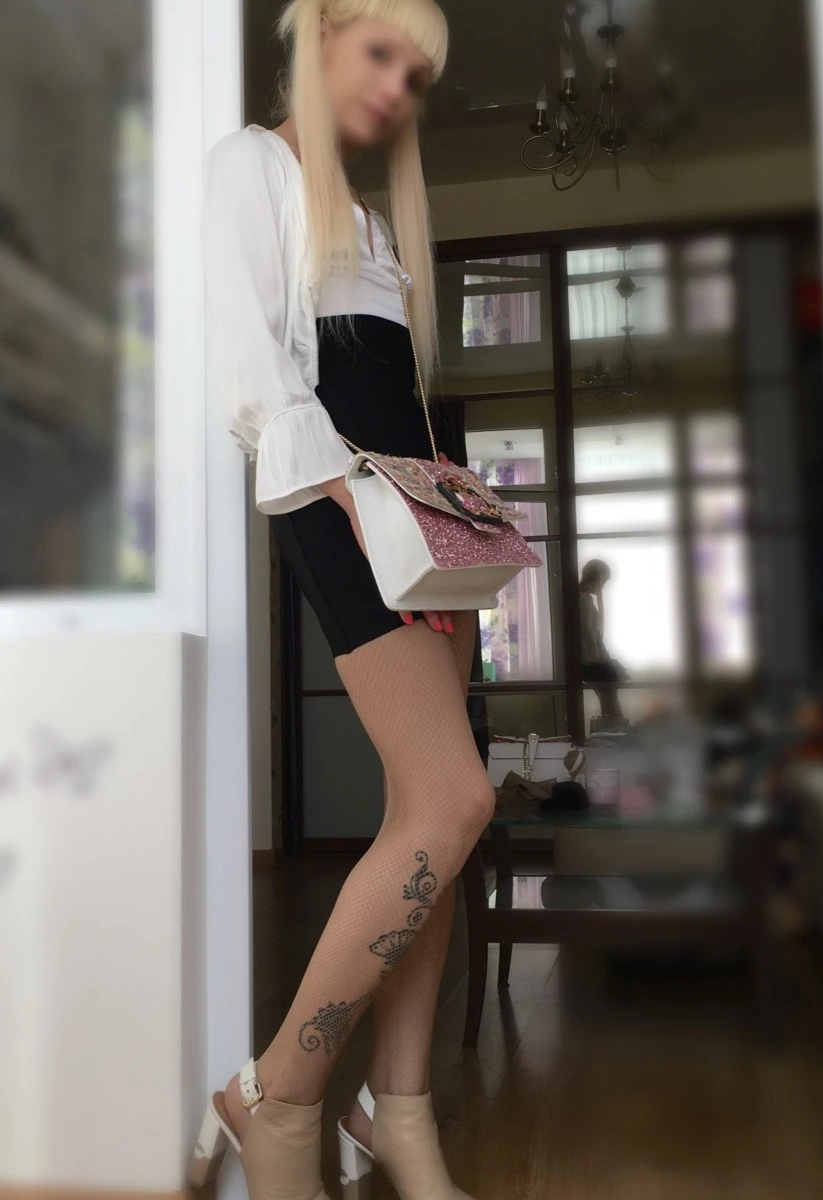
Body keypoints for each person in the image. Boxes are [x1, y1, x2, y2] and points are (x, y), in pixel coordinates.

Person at [195, 3, 491, 1198]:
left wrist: (441, 485)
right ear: (317, 36)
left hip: (419, 519)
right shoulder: (250, 166)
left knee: (437, 821)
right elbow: (256, 376)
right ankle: (279, 1095)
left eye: (417, 75)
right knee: (453, 800)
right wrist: (361, 499)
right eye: (382, 53)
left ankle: (397, 1109)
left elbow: (389, 397)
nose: (397, 88)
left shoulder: (373, 221)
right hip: (342, 509)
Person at [579, 558, 628, 727]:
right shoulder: (583, 600)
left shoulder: (581, 599)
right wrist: (598, 660)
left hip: (593, 658)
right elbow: (588, 634)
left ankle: (614, 730)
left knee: (608, 700)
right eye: (604, 582)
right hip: (592, 660)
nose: (604, 587)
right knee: (610, 701)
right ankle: (616, 731)